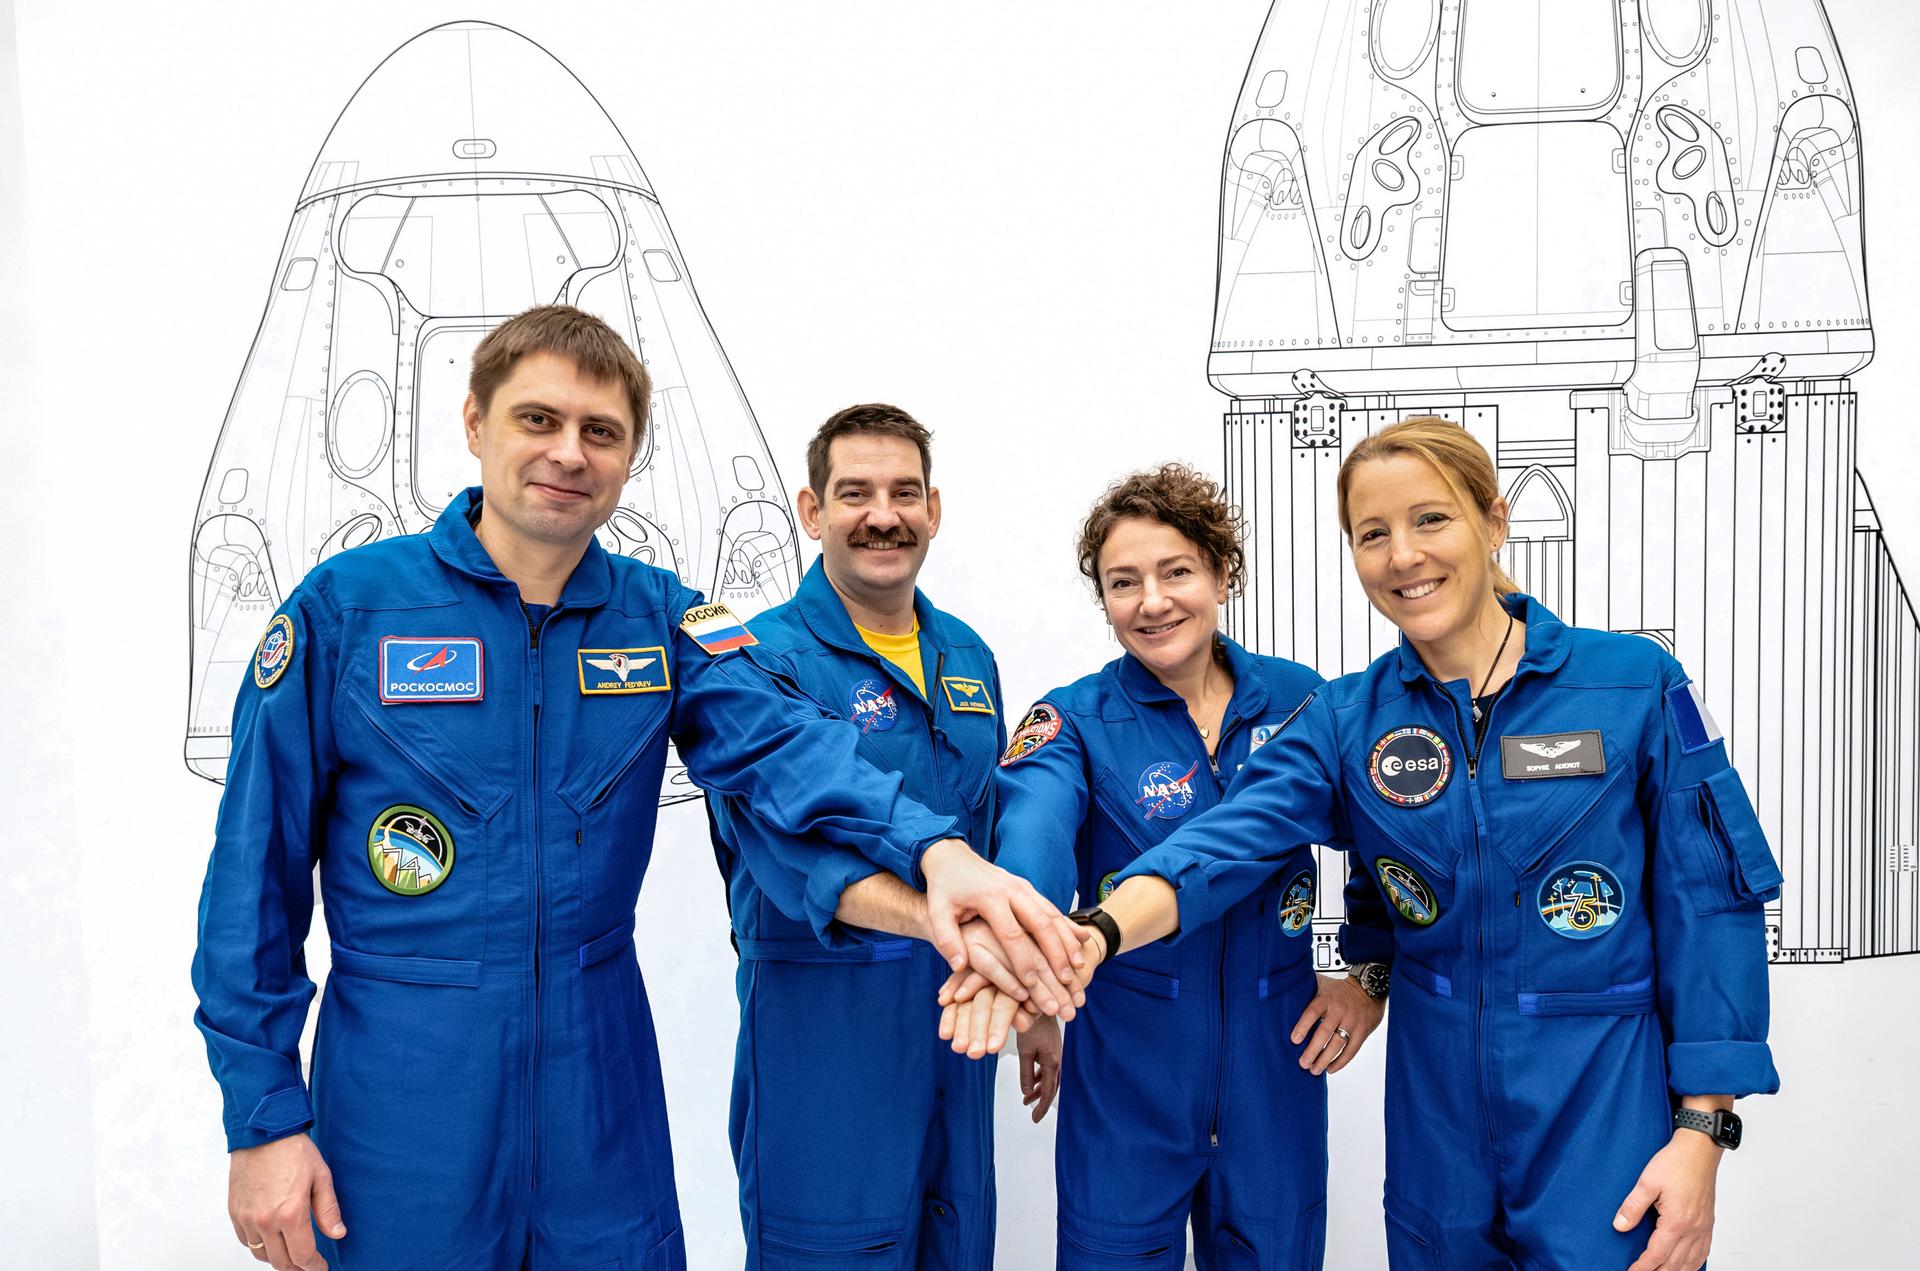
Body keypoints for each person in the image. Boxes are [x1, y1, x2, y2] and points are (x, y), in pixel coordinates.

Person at [191, 311, 1079, 1271]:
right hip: (404, 1077)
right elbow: (252, 880)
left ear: (627, 458)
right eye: (539, 420)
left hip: (598, 1075)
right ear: (474, 422)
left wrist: (935, 850)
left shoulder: (662, 616)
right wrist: (263, 1118)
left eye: (601, 432)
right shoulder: (348, 608)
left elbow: (783, 744)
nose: (568, 453)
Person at [1082, 418, 1781, 1271]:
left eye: (1430, 519)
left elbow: (1710, 904)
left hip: (1601, 1102)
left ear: (1493, 522)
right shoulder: (1348, 720)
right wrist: (1100, 933)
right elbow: (1227, 841)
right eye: (1372, 534)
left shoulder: (1633, 683)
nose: (1402, 555)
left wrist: (1702, 1131)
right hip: (1435, 1121)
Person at [957, 464, 1387, 1269]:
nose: (1152, 601)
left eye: (1176, 571)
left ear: (1222, 572)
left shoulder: (1305, 702)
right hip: (1128, 1077)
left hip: (1277, 1079)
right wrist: (1029, 971)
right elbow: (1034, 840)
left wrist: (1366, 972)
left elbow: (1388, 836)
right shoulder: (1074, 720)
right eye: (1124, 582)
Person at [706, 403, 1087, 1270]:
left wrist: (1028, 991)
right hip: (824, 1033)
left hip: (963, 1018)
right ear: (811, 511)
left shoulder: (966, 654)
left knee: (956, 1244)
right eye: (855, 493)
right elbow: (789, 853)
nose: (884, 514)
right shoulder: (757, 661)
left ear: (934, 508)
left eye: (904, 492)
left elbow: (991, 833)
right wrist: (971, 939)